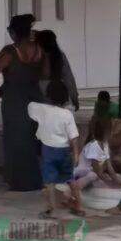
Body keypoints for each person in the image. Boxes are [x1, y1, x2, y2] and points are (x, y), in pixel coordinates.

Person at [0, 13, 45, 191]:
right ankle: (35, 179)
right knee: (31, 138)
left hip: (14, 100)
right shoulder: (39, 49)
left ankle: (17, 180)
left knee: (14, 139)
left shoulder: (10, 51)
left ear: (14, 32)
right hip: (35, 98)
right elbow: (44, 72)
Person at [28, 80, 83, 218]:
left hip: (48, 151)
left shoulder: (42, 110)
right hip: (64, 151)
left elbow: (30, 105)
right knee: (70, 179)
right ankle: (79, 207)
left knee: (49, 182)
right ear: (66, 96)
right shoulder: (67, 114)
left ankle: (52, 210)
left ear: (48, 96)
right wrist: (76, 155)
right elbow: (74, 137)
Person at [73, 115, 121, 192]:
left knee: (119, 177)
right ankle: (74, 189)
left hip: (97, 175)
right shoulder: (94, 145)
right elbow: (96, 169)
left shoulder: (105, 144)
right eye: (111, 129)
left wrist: (117, 182)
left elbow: (109, 167)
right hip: (84, 175)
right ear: (106, 131)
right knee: (93, 176)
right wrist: (108, 182)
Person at [35, 30, 79, 112]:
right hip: (60, 96)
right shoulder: (60, 56)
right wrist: (74, 98)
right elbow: (69, 79)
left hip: (42, 101)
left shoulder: (35, 59)